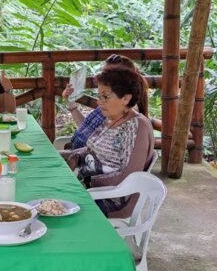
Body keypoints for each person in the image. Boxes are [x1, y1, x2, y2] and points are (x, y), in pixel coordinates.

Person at [64, 67, 154, 216]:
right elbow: (91, 149)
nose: (99, 102)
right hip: (89, 188)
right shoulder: (111, 118)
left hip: (111, 198)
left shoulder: (137, 126)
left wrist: (86, 184)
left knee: (57, 206)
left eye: (105, 97)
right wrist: (73, 158)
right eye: (99, 96)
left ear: (126, 98)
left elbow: (129, 176)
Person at [62, 54, 149, 150]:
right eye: (103, 72)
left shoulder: (125, 111)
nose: (101, 77)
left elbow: (99, 151)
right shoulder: (110, 104)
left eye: (108, 74)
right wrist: (71, 102)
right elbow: (86, 130)